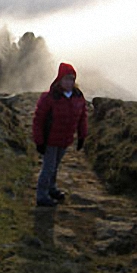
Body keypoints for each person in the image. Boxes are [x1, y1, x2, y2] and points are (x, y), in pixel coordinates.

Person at [32, 63, 88, 207]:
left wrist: (82, 136)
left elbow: (83, 118)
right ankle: (42, 195)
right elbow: (38, 120)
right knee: (48, 167)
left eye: (72, 79)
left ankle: (51, 189)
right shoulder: (50, 97)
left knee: (55, 166)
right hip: (49, 139)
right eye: (66, 79)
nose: (69, 82)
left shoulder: (78, 97)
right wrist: (39, 141)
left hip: (65, 139)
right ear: (59, 80)